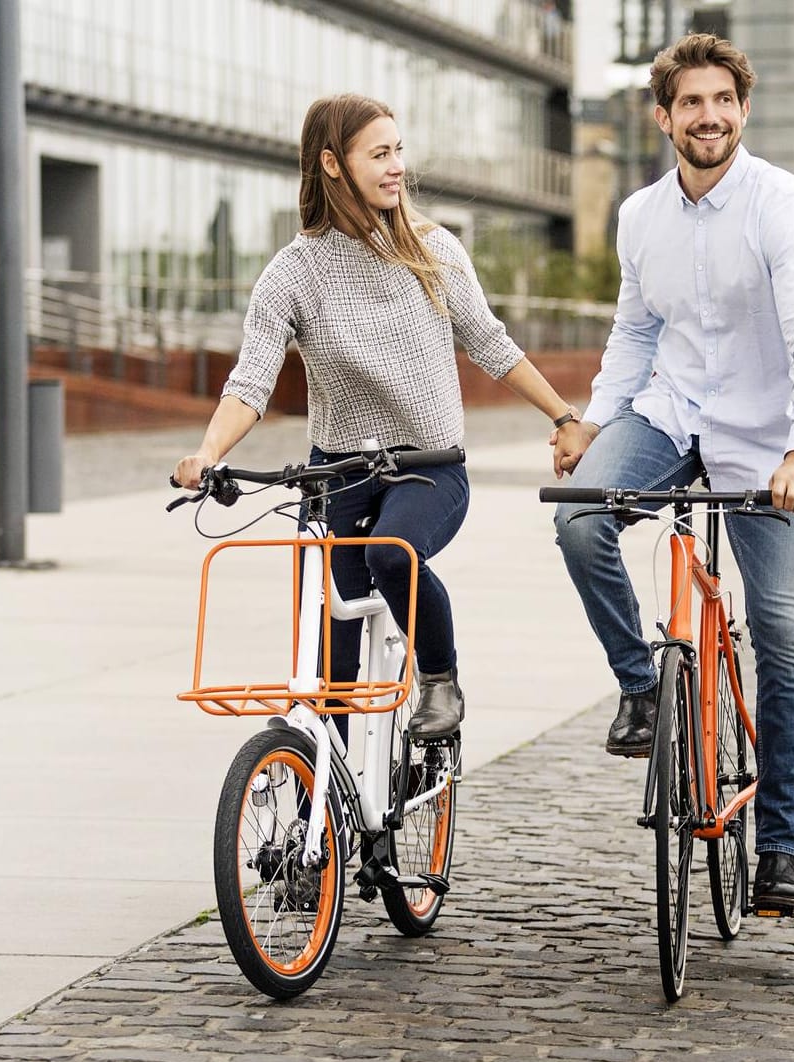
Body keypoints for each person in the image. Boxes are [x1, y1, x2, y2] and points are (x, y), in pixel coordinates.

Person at [173, 93, 581, 743]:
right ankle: (321, 818)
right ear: (332, 165)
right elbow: (249, 381)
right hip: (335, 473)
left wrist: (564, 416)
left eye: (398, 152)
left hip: (427, 468)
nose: (396, 168)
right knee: (329, 662)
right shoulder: (291, 273)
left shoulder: (433, 250)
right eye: (379, 154)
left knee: (391, 556)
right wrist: (207, 452)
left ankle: (440, 682)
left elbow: (490, 343)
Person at [548, 33, 794, 917]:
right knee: (577, 517)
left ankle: (779, 849)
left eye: (722, 101)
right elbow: (634, 332)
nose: (707, 116)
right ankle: (642, 690)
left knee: (784, 634)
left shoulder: (782, 206)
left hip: (765, 440)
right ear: (663, 116)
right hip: (671, 413)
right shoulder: (640, 216)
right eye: (690, 103)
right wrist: (596, 421)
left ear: (742, 110)